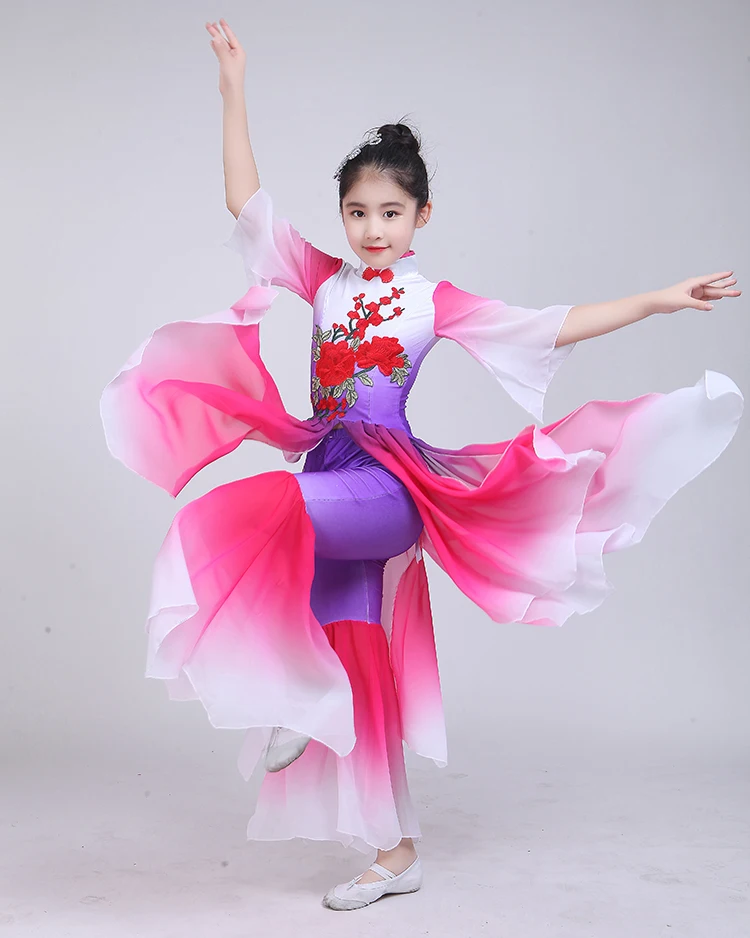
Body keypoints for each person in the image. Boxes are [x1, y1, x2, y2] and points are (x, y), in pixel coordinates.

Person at [100, 18, 743, 912]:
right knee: (361, 660)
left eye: (391, 213)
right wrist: (232, 86)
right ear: (343, 216)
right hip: (330, 465)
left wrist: (657, 301)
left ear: (421, 217)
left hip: (387, 487)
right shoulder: (321, 279)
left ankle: (294, 691)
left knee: (261, 510)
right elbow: (245, 201)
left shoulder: (433, 299)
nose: (373, 229)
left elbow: (551, 324)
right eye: (358, 213)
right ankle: (394, 852)